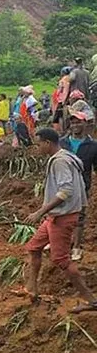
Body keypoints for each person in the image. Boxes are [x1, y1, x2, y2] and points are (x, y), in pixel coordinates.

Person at [24, 128, 97, 314]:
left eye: (39, 143)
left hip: (62, 217)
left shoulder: (60, 162)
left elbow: (65, 192)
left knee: (61, 259)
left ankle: (91, 300)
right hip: (55, 216)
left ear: (47, 143)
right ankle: (31, 289)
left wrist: (40, 212)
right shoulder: (65, 156)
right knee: (34, 248)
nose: (37, 147)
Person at [59, 112, 97, 261]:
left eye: (79, 122)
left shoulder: (93, 145)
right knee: (60, 213)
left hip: (82, 185)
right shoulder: (62, 143)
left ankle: (76, 247)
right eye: (73, 122)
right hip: (62, 184)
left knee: (79, 216)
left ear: (86, 124)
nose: (75, 125)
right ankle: (61, 243)